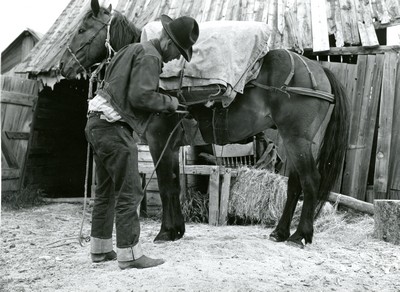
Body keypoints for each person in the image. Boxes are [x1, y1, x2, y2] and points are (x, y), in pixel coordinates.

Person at [85, 15, 199, 270]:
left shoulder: (131, 49)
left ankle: (100, 249)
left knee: (105, 191)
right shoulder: (151, 56)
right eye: (178, 52)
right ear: (168, 42)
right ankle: (130, 255)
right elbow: (140, 97)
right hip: (114, 127)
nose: (175, 59)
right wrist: (170, 103)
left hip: (96, 122)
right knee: (130, 190)